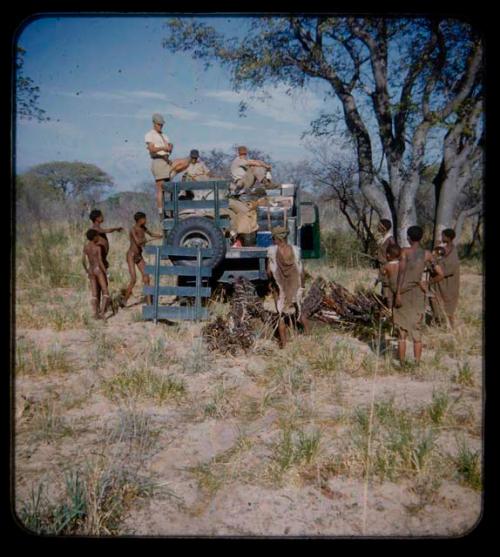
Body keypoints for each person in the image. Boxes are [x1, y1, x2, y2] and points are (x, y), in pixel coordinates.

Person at [393, 226, 444, 366]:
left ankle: (402, 363)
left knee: (402, 331)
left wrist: (397, 293)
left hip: (403, 292)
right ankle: (417, 363)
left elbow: (401, 274)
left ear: (408, 238)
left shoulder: (404, 252)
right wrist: (427, 282)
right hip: (418, 294)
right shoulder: (427, 254)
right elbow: (441, 274)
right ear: (421, 238)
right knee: (417, 329)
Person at [266, 225, 309, 348]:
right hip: (295, 285)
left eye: (273, 238)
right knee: (300, 310)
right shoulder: (295, 250)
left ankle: (284, 345)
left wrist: (270, 283)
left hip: (280, 287)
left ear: (277, 239)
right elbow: (301, 271)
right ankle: (309, 337)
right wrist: (303, 286)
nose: (273, 240)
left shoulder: (272, 251)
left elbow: (269, 272)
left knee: (280, 315)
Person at [145, 113, 189, 220]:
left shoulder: (164, 135)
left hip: (167, 161)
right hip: (158, 161)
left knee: (186, 161)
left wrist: (170, 147)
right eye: (159, 124)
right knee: (161, 189)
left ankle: (171, 174)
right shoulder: (150, 135)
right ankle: (161, 213)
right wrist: (164, 148)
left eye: (162, 124)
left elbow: (169, 148)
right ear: (154, 124)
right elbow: (151, 149)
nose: (161, 126)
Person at [123, 212, 163, 305]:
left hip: (139, 256)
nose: (146, 221)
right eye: (144, 219)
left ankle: (149, 302)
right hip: (131, 255)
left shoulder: (143, 228)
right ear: (140, 220)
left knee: (146, 277)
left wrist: (161, 236)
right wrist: (145, 240)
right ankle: (124, 300)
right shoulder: (133, 229)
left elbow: (152, 234)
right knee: (133, 279)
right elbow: (137, 242)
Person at [430, 228, 460, 328]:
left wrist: (435, 264)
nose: (441, 238)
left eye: (443, 236)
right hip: (439, 283)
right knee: (436, 304)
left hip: (449, 284)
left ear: (448, 238)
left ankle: (451, 328)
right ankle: (438, 325)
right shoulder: (442, 247)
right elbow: (435, 257)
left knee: (449, 307)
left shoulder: (453, 254)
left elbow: (447, 269)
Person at [82, 229, 111, 319]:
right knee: (105, 291)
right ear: (94, 237)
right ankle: (102, 313)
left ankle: (95, 313)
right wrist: (107, 273)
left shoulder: (86, 247)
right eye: (97, 236)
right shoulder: (97, 247)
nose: (98, 237)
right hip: (98, 270)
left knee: (94, 294)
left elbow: (82, 260)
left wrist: (86, 270)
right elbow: (100, 261)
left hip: (90, 270)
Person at [379, 243, 401, 310]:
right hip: (399, 285)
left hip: (391, 285)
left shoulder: (387, 265)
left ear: (388, 255)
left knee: (389, 298)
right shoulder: (401, 264)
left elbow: (382, 273)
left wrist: (381, 269)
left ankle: (390, 309)